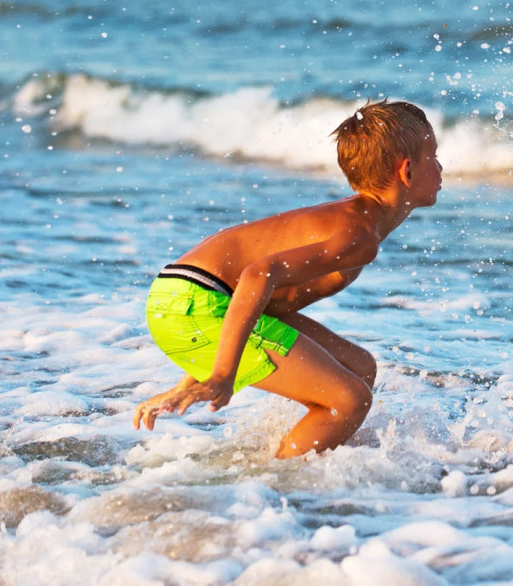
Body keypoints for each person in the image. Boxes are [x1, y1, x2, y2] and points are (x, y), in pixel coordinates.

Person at [132, 99, 443, 458]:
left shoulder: (358, 224)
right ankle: (281, 482)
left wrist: (194, 375)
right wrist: (221, 375)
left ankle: (319, 459)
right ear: (406, 171)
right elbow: (258, 275)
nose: (439, 167)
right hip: (194, 300)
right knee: (349, 400)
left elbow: (270, 305)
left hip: (185, 298)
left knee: (358, 368)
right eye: (432, 157)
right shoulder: (358, 237)